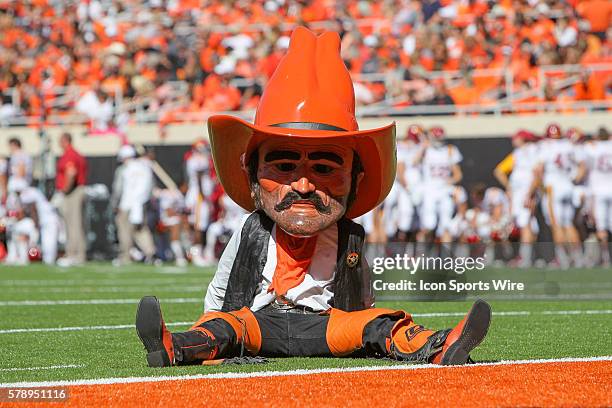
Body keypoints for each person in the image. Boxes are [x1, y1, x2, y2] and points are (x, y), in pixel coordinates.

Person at [135, 27, 491, 368]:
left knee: (382, 323)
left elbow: (362, 293)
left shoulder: (349, 237)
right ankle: (176, 345)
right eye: (285, 166)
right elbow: (221, 289)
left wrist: (367, 318)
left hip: (328, 327)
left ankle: (442, 345)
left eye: (323, 168)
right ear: (252, 173)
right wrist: (214, 322)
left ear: (355, 179)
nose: (304, 186)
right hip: (258, 325)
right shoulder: (252, 231)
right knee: (224, 327)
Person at [528, 124, 586, 268]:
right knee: (568, 224)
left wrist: (534, 190)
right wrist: (574, 180)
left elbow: (539, 170)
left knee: (556, 224)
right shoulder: (568, 145)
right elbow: (582, 166)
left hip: (553, 187)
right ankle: (577, 258)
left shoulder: (545, 146)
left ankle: (563, 259)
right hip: (568, 186)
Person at [494, 130, 540, 267]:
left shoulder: (534, 151)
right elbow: (499, 171)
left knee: (526, 223)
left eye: (516, 138)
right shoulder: (519, 153)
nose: (513, 140)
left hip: (526, 191)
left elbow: (537, 173)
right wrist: (510, 187)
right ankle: (524, 256)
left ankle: (526, 258)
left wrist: (530, 193)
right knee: (522, 223)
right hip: (519, 192)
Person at [114, 146, 156, 265]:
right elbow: (150, 187)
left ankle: (125, 255)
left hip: (126, 204)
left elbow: (119, 189)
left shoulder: (125, 169)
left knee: (125, 231)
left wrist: (115, 204)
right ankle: (150, 252)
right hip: (141, 204)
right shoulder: (144, 166)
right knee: (141, 229)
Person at [55, 132, 88, 267]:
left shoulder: (70, 155)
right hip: (75, 190)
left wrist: (64, 189)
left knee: (73, 224)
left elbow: (71, 172)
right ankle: (76, 253)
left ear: (65, 141)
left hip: (73, 191)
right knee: (74, 223)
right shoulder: (76, 154)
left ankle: (74, 254)